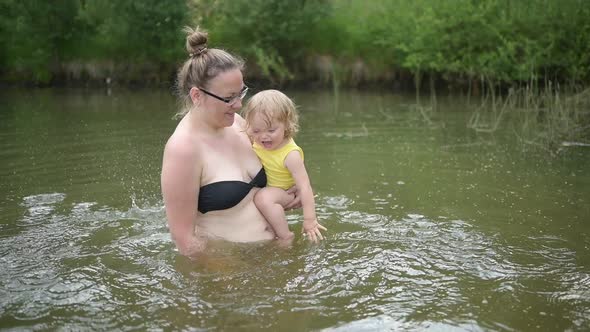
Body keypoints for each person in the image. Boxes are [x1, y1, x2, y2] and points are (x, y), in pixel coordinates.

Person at [160, 27, 299, 257]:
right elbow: (184, 239)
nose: (238, 105)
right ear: (197, 96)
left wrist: (287, 192)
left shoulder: (237, 123)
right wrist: (228, 279)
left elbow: (258, 187)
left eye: (240, 93)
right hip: (231, 266)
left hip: (274, 253)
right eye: (228, 98)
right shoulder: (183, 149)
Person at [242, 90, 327, 243]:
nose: (263, 136)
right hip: (270, 189)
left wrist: (309, 219)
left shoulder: (290, 154)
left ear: (286, 125)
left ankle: (285, 236)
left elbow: (305, 187)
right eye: (256, 130)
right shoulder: (255, 138)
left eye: (271, 130)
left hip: (285, 192)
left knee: (263, 198)